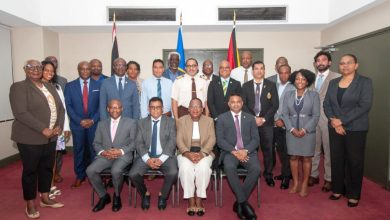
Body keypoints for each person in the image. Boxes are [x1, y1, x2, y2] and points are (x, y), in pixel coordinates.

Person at [10, 59, 65, 219]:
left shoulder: (48, 86)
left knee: (47, 168)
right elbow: (21, 113)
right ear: (24, 69)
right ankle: (30, 203)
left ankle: (45, 197)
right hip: (30, 138)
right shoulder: (19, 87)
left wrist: (59, 126)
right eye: (31, 67)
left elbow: (60, 108)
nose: (35, 70)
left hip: (51, 137)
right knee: (30, 171)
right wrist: (43, 129)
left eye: (38, 67)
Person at [324, 54, 373, 207]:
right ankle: (338, 189)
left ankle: (353, 194)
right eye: (342, 63)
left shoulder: (364, 82)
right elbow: (327, 104)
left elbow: (364, 105)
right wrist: (334, 121)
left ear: (356, 65)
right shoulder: (333, 83)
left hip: (355, 128)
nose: (345, 66)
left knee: (354, 162)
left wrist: (342, 121)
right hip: (335, 128)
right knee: (337, 159)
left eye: (349, 63)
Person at [86, 99, 137, 212]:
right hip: (106, 156)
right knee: (90, 170)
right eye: (112, 107)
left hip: (123, 155)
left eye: (117, 107)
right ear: (108, 109)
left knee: (116, 171)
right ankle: (104, 196)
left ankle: (117, 196)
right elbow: (96, 143)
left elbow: (134, 143)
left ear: (122, 109)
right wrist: (103, 152)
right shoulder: (101, 124)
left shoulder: (131, 122)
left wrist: (120, 151)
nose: (115, 110)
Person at [216, 93, 260, 220]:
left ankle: (240, 202)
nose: (235, 104)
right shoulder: (222, 118)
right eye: (233, 102)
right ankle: (243, 203)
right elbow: (220, 141)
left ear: (242, 103)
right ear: (229, 104)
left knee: (256, 169)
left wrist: (245, 151)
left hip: (248, 152)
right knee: (229, 167)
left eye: (238, 101)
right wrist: (235, 152)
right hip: (230, 152)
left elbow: (256, 139)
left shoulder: (250, 118)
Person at [129, 97, 177, 211]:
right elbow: (139, 143)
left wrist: (161, 159)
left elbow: (172, 142)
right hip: (146, 155)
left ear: (162, 109)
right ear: (148, 109)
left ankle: (163, 196)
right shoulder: (141, 123)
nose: (155, 110)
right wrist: (147, 159)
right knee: (133, 174)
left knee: (173, 172)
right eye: (152, 107)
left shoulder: (170, 122)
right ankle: (145, 194)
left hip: (165, 155)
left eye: (158, 107)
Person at [281, 69, 320, 197]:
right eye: (297, 79)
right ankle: (296, 183)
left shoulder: (314, 95)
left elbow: (315, 116)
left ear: (307, 81)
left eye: (303, 79)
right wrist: (291, 129)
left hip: (308, 132)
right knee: (293, 157)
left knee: (307, 158)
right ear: (294, 80)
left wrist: (304, 130)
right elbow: (284, 114)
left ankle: (304, 184)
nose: (300, 81)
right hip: (291, 131)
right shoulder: (288, 94)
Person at [242, 61, 279, 187]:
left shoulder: (271, 85)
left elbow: (275, 105)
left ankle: (268, 174)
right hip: (250, 124)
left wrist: (263, 119)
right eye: (256, 68)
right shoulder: (245, 86)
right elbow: (244, 104)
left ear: (264, 70)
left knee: (268, 150)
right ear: (253, 71)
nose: (259, 71)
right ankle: (250, 172)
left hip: (266, 123)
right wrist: (254, 119)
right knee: (250, 149)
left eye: (261, 68)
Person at [177, 98, 216, 216]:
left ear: (202, 109)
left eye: (198, 106)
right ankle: (190, 198)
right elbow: (179, 140)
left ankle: (199, 198)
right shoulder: (181, 120)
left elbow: (212, 139)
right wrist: (187, 153)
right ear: (188, 109)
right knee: (185, 168)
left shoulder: (209, 121)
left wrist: (203, 153)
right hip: (185, 152)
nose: (195, 109)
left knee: (203, 167)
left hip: (205, 152)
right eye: (192, 107)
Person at [64, 61, 100, 188]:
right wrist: (79, 120)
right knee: (78, 150)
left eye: (87, 69)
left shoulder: (99, 84)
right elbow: (68, 106)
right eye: (82, 69)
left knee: (93, 150)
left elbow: (101, 105)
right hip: (77, 124)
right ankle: (79, 176)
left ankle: (93, 176)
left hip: (93, 124)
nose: (85, 71)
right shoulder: (69, 86)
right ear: (78, 70)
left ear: (90, 70)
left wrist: (92, 120)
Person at [309, 51, 340, 191]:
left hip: (329, 119)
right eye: (318, 60)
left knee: (328, 150)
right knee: (313, 149)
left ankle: (329, 178)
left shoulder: (337, 77)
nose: (320, 62)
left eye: (324, 60)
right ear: (315, 63)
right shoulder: (311, 78)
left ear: (329, 62)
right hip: (312, 119)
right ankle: (313, 174)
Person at [41, 60, 71, 197]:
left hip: (56, 130)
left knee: (52, 159)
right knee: (41, 160)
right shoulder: (36, 87)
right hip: (41, 130)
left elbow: (62, 108)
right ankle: (43, 188)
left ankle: (51, 184)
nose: (49, 73)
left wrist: (65, 127)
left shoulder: (57, 87)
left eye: (52, 71)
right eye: (46, 70)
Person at [267, 64, 295, 189]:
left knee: (285, 152)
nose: (284, 75)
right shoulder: (274, 86)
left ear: (290, 73)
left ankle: (286, 177)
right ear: (278, 73)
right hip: (272, 122)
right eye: (281, 72)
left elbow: (293, 108)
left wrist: (282, 120)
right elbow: (270, 104)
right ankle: (283, 173)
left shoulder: (294, 87)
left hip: (285, 125)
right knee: (276, 150)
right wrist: (275, 119)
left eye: (286, 72)